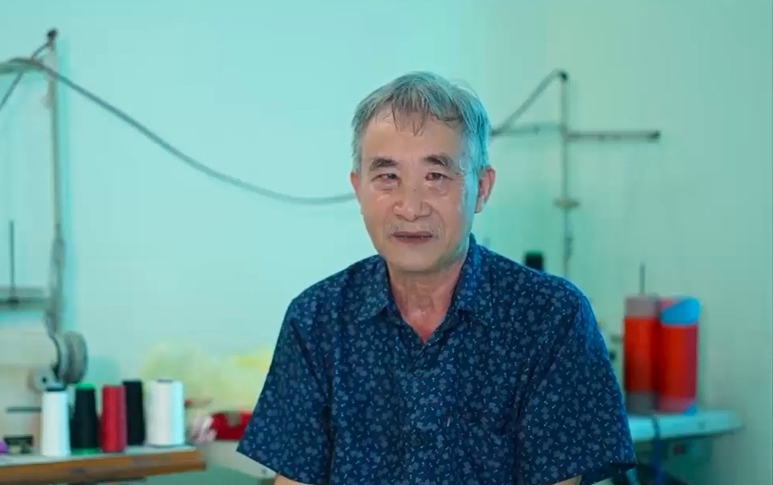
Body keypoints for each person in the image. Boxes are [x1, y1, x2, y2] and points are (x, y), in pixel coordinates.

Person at [237, 72, 635, 485]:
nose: (410, 208)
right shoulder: (316, 319)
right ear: (358, 189)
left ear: (482, 188)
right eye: (387, 177)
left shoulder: (551, 317)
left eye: (436, 177)